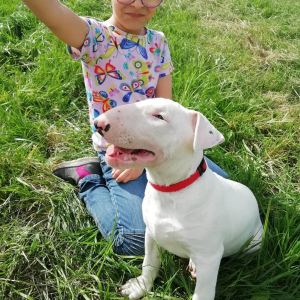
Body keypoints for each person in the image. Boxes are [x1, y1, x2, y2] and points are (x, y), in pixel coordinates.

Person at [22, 0, 228, 255]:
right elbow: (55, 16)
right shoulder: (96, 37)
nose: (138, 5)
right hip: (117, 149)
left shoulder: (158, 42)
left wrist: (144, 159)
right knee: (133, 241)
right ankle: (89, 178)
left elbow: (167, 106)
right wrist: (132, 159)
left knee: (224, 189)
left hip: (158, 146)